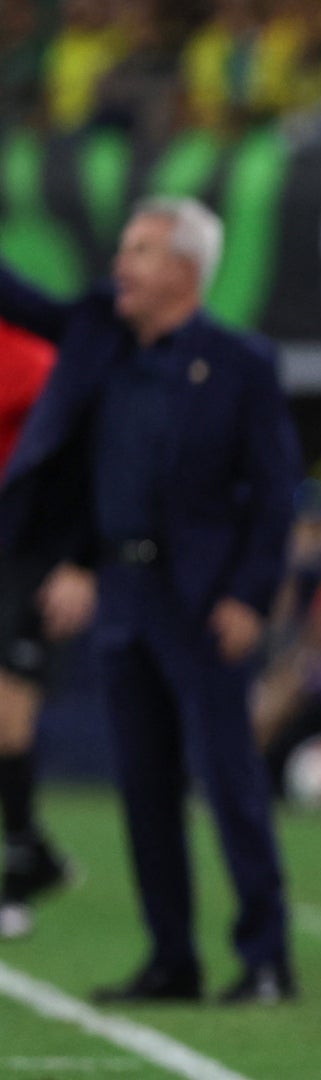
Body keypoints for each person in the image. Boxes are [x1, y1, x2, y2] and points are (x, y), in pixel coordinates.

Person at [0, 196, 302, 1004]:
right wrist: (77, 565)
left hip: (203, 603)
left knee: (229, 783)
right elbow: (25, 302)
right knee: (143, 788)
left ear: (183, 269)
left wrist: (249, 595)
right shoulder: (102, 337)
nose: (119, 267)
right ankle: (172, 958)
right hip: (122, 592)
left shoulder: (241, 365)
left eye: (138, 251)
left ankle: (265, 958)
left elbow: (275, 497)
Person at [0, 316, 70, 941]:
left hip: (22, 558)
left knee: (8, 713)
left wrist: (76, 557)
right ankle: (31, 848)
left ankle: (23, 858)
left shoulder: (31, 361)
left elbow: (72, 461)